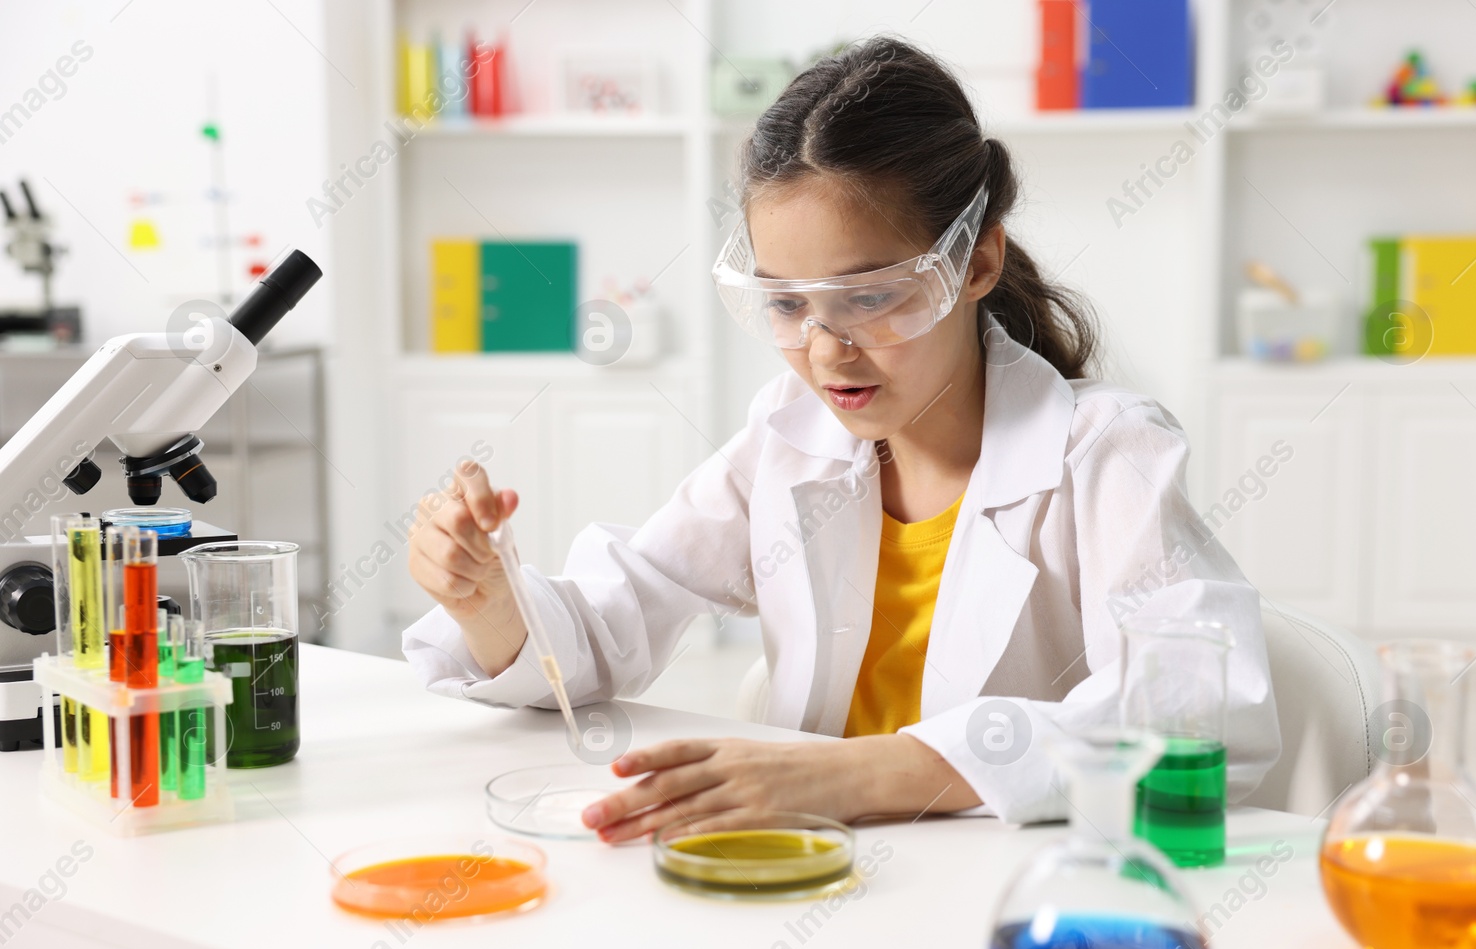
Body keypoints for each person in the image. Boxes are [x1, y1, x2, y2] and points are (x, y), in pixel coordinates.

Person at [403, 37, 1279, 842]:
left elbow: (1199, 712)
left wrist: (854, 772)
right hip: (812, 873)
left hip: (1011, 900)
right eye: (786, 304)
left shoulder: (1104, 452)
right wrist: (489, 599)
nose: (826, 350)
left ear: (975, 263)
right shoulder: (788, 440)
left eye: (868, 297)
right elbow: (612, 619)